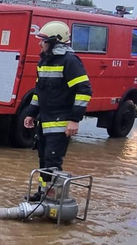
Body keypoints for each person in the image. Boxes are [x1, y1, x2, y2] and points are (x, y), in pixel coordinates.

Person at [23, 21, 92, 195]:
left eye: (43, 40)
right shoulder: (44, 61)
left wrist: (75, 120)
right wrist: (31, 113)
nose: (40, 43)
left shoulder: (70, 61)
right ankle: (42, 193)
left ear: (55, 41)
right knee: (43, 159)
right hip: (44, 120)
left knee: (52, 161)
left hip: (61, 120)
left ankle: (51, 198)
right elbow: (39, 91)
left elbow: (84, 90)